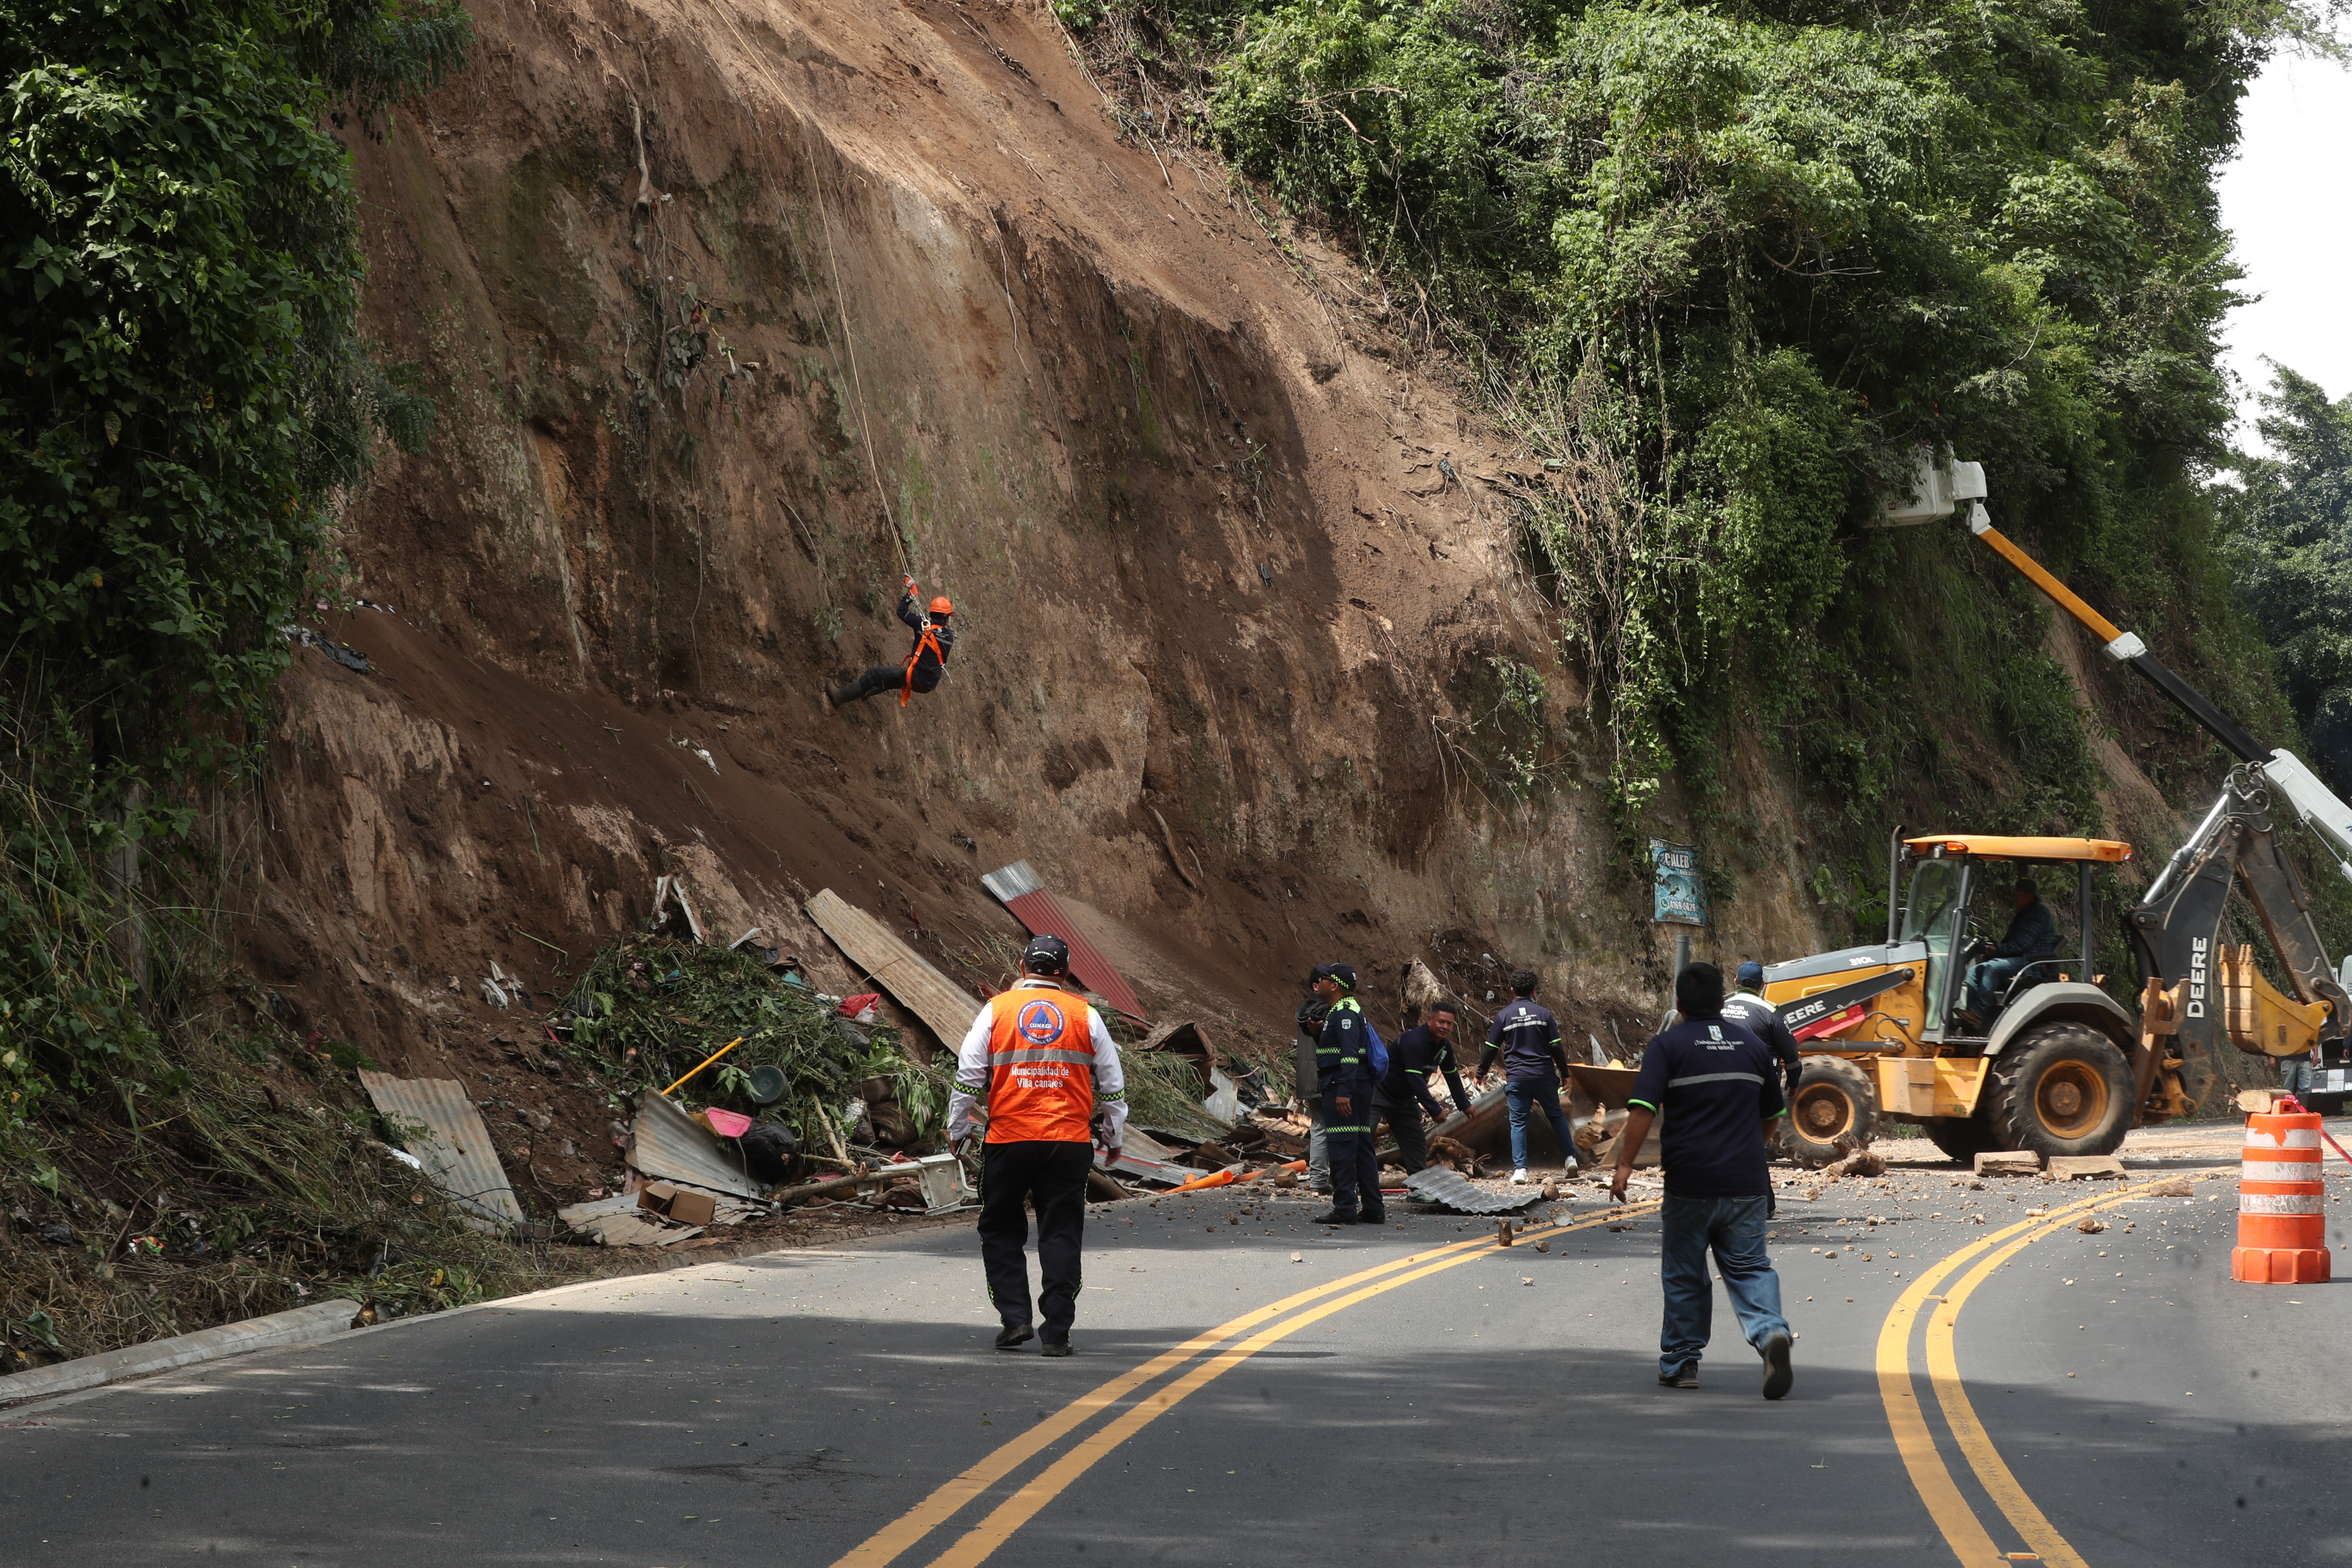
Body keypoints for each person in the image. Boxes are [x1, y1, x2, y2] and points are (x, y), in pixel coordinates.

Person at [1611, 961, 1793, 1399]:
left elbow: (1642, 1110)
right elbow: (1772, 1116)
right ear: (1723, 1001)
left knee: (1685, 1272)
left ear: (1678, 1003)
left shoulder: (1667, 1046)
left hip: (1690, 1182)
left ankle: (1681, 1362)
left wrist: (1624, 1166)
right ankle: (1770, 1335)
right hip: (1746, 1182)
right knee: (1749, 1266)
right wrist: (1750, 1149)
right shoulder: (1752, 1046)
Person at [947, 935, 1125, 1357]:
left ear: (1022, 966)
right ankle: (1057, 1332)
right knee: (1061, 1229)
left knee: (1000, 1226)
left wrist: (957, 1129)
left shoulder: (997, 1009)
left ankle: (1015, 1319)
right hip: (1068, 1142)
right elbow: (1113, 1087)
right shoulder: (1086, 1015)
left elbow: (967, 1077)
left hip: (1009, 1140)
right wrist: (1113, 1137)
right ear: (1064, 973)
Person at [1478, 970, 1578, 1184]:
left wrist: (1480, 1074)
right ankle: (1570, 1159)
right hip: (1544, 1075)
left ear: (1512, 990)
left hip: (1518, 1078)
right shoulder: (1543, 1014)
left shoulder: (1504, 1016)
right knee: (1556, 1117)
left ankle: (1520, 1170)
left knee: (1518, 1123)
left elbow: (1490, 1048)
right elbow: (1556, 1047)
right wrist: (1565, 1073)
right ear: (1534, 990)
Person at [1310, 962, 1386, 1226]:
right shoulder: (1343, 1011)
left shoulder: (1344, 1013)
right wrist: (1319, 1035)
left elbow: (1350, 1054)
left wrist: (1343, 1091)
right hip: (1356, 1085)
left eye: (1324, 978)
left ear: (1334, 986)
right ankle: (1374, 1208)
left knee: (1341, 1146)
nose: (1318, 982)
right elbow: (1338, 1049)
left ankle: (1344, 1207)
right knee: (1362, 1147)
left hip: (1345, 1087)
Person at [1372, 1001, 1473, 1174]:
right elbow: (1414, 1078)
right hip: (1380, 1092)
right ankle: (1350, 1180)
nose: (1445, 1027)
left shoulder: (1444, 1047)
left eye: (1449, 1023)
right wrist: (1434, 1109)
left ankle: (1418, 1185)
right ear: (1429, 1020)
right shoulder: (1414, 1041)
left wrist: (1464, 1104)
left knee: (1416, 1142)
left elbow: (1452, 1075)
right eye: (1441, 1021)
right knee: (1361, 1135)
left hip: (1405, 1099)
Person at [824, 576, 956, 708]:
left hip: (917, 677)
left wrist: (909, 595)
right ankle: (867, 692)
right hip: (930, 682)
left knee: (875, 674)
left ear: (931, 613)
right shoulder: (949, 637)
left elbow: (901, 612)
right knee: (891, 679)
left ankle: (839, 697)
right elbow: (933, 630)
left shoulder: (921, 625)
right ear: (947, 618)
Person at [1962, 877, 2057, 1026]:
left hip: (2031, 962)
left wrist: (1999, 950)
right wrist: (1993, 950)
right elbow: (2010, 941)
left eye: (2018, 893)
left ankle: (1980, 1013)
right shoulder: (2024, 913)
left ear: (2029, 895)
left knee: (1991, 968)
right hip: (2019, 958)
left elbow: (2022, 944)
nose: (2014, 897)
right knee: (1974, 971)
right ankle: (1971, 1016)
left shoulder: (2039, 913)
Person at [1722, 960, 1803, 1106]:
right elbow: (1790, 1051)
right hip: (1758, 1088)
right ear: (1762, 985)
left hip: (1721, 1086)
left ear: (1735, 982)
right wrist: (1793, 1081)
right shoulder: (1770, 1011)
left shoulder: (1719, 1008)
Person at [1295, 994, 1332, 1194]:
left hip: (1308, 1076)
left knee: (1319, 1127)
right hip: (1325, 1076)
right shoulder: (1324, 1011)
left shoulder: (1304, 1012)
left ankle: (1318, 1179)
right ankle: (1331, 1178)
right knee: (1332, 1128)